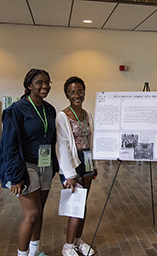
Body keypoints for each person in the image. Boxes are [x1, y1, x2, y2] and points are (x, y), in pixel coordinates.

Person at [0, 69, 58, 256]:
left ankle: (35, 251)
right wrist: (15, 177)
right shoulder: (17, 109)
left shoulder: (49, 109)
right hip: (26, 165)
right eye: (40, 82)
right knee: (31, 215)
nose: (45, 86)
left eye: (47, 82)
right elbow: (9, 145)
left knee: (39, 212)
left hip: (45, 163)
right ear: (29, 85)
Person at [56, 76, 98, 256]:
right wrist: (69, 174)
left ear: (84, 92)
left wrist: (94, 164)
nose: (77, 95)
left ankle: (78, 242)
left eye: (80, 91)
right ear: (67, 94)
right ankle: (68, 246)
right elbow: (62, 146)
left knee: (83, 204)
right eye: (72, 92)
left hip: (87, 161)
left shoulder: (87, 114)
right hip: (72, 165)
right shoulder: (62, 116)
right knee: (75, 205)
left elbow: (90, 140)